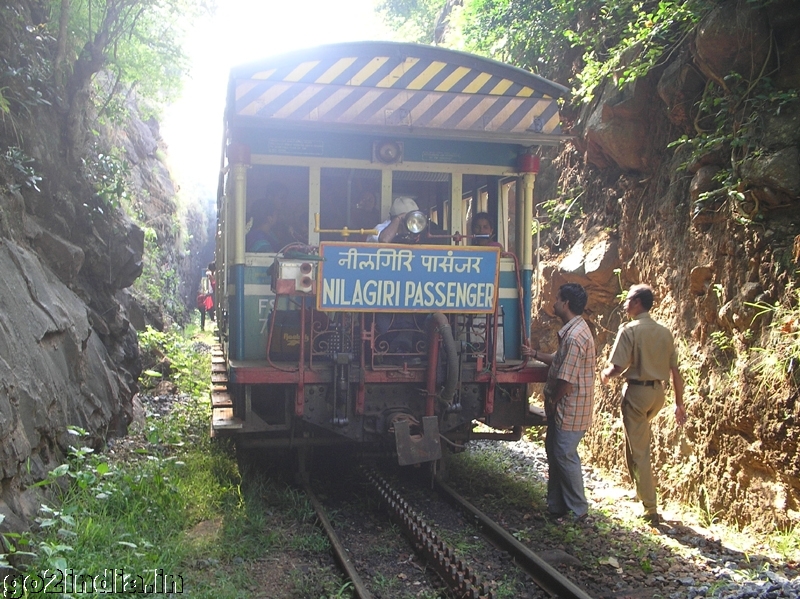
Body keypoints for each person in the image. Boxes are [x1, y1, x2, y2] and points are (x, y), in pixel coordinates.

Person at [600, 284, 686, 526]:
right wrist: (679, 404)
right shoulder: (664, 332)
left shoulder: (630, 330)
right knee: (634, 442)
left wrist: (606, 374)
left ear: (637, 303)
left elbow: (618, 367)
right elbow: (675, 372)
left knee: (640, 451)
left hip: (637, 394)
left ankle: (650, 508)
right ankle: (639, 492)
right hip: (658, 394)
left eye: (628, 300)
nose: (625, 303)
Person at [527, 283, 595, 522]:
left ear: (565, 304)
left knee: (564, 454)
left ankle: (578, 510)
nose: (554, 303)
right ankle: (557, 506)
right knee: (555, 452)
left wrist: (554, 402)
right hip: (568, 407)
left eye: (557, 299)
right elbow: (558, 360)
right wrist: (534, 354)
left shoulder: (575, 337)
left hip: (570, 408)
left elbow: (566, 380)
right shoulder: (574, 331)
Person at [197, 263, 215, 331]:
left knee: (207, 310)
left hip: (207, 295)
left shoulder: (207, 276)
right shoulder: (209, 276)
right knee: (208, 310)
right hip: (208, 296)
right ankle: (205, 325)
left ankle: (204, 325)